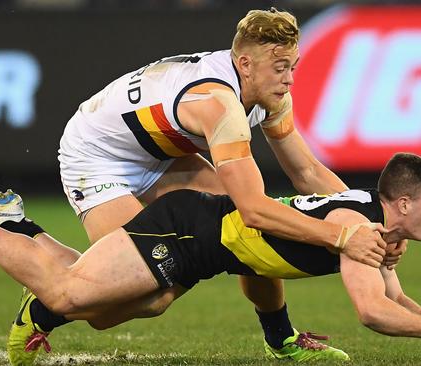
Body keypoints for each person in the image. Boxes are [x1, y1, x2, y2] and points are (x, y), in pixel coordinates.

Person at [0, 153, 421, 366]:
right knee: (65, 294)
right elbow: (372, 312)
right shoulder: (356, 226)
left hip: (205, 245)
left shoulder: (374, 226)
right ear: (403, 202)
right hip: (188, 230)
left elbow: (392, 295)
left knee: (133, 306)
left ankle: (15, 223)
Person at [46, 6, 388, 361]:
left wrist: (371, 222)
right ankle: (32, 269)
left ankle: (281, 338)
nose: (289, 80)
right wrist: (343, 237)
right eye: (280, 68)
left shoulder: (269, 95)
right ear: (244, 64)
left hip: (162, 155)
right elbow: (254, 210)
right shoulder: (217, 103)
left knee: (243, 233)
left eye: (292, 67)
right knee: (151, 297)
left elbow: (308, 173)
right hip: (98, 157)